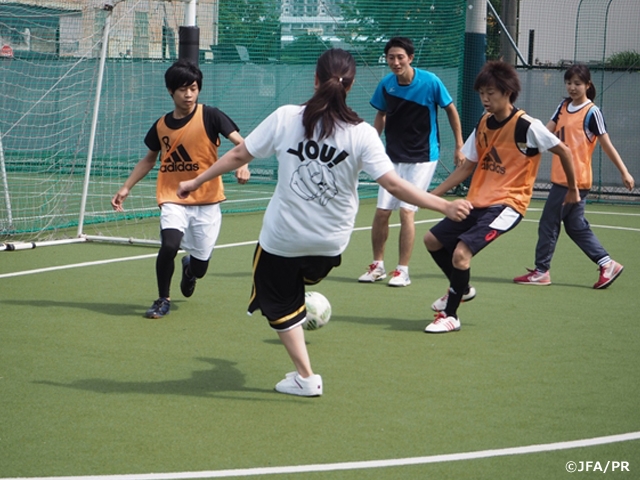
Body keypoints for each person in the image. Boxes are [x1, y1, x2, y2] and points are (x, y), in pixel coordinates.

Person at [177, 49, 472, 396]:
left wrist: (196, 182)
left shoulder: (287, 117)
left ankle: (306, 377)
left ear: (314, 80)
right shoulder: (362, 133)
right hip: (331, 246)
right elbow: (394, 184)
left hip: (283, 240)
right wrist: (444, 206)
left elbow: (240, 154)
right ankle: (299, 301)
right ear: (350, 86)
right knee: (294, 282)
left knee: (277, 299)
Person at [422, 60, 581, 334]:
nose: (485, 98)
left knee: (461, 253)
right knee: (432, 240)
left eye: (491, 92)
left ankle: (451, 316)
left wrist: (573, 188)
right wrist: (430, 196)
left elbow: (564, 151)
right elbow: (467, 166)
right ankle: (460, 289)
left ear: (508, 92)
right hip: (477, 202)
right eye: (481, 92)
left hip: (508, 205)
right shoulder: (483, 123)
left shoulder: (526, 126)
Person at [111, 59, 250, 319]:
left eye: (194, 88)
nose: (189, 94)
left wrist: (243, 165)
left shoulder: (211, 115)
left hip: (207, 201)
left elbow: (242, 145)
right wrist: (126, 187)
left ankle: (190, 269)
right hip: (172, 197)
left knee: (200, 267)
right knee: (169, 245)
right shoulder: (161, 125)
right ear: (170, 91)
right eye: (183, 89)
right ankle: (162, 299)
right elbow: (149, 159)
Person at [513, 64, 634, 289]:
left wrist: (624, 171)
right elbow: (546, 132)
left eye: (577, 83)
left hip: (573, 181)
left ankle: (541, 271)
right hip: (564, 178)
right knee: (575, 226)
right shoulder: (563, 106)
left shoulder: (592, 112)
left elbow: (606, 145)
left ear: (588, 85)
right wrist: (524, 137)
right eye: (569, 83)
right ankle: (607, 264)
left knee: (549, 223)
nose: (572, 87)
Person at [358, 36, 465, 288]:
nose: (395, 62)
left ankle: (402, 270)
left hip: (422, 157)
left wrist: (459, 145)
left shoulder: (430, 82)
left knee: (407, 211)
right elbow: (380, 115)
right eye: (390, 57)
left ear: (410, 58)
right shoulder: (386, 85)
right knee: (382, 212)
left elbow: (450, 109)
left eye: (400, 57)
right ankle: (377, 266)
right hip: (392, 157)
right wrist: (374, 144)